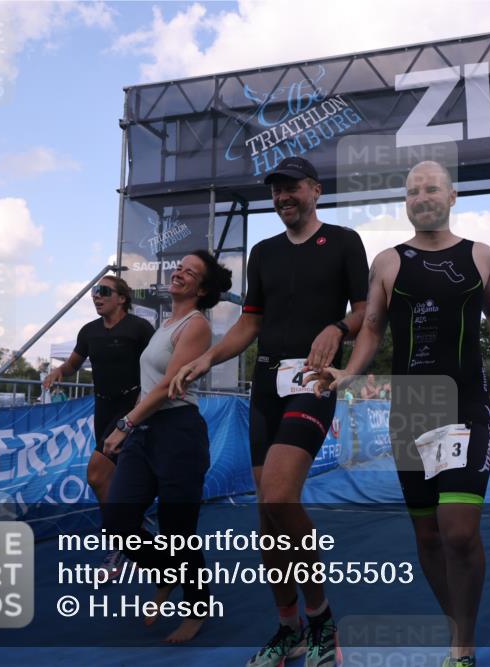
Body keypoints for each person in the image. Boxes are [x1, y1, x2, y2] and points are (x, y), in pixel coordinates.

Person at [309, 161, 490, 667]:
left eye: (431, 188)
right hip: (410, 410)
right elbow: (371, 329)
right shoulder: (387, 262)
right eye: (412, 192)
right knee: (427, 534)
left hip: (464, 405)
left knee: (458, 531)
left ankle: (462, 644)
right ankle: (459, 631)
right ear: (405, 203)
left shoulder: (481, 255)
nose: (421, 197)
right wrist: (350, 373)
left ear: (452, 196)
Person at [169, 156, 368, 667]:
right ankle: (289, 627)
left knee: (280, 496)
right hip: (266, 381)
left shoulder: (344, 242)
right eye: (276, 190)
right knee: (266, 514)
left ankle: (322, 618)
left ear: (315, 190)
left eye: (291, 188)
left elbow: (367, 310)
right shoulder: (263, 252)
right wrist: (207, 357)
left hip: (313, 378)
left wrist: (339, 328)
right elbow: (249, 324)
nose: (283, 197)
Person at [101, 249, 232, 643]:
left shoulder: (195, 327)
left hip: (178, 433)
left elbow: (167, 386)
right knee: (118, 523)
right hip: (146, 433)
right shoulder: (163, 323)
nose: (179, 274)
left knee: (179, 531)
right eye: (179, 268)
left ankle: (197, 606)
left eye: (189, 272)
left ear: (202, 288)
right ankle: (167, 575)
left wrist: (126, 422)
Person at [43, 275, 155, 574]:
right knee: (112, 479)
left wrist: (147, 406)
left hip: (132, 409)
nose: (96, 296)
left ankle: (122, 537)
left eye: (103, 291)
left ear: (121, 298)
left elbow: (157, 366)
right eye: (94, 291)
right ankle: (127, 531)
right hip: (103, 408)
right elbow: (73, 364)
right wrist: (59, 371)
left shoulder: (139, 328)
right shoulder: (89, 331)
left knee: (96, 474)